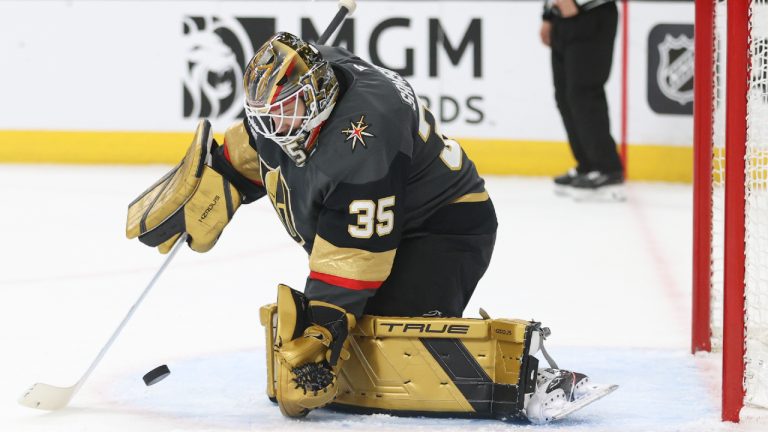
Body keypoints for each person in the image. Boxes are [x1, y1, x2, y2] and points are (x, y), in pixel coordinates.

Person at [126, 32, 615, 423]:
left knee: (387, 350)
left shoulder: (363, 142)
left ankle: (520, 378)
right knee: (354, 345)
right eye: (266, 114)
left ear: (317, 96)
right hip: (387, 215)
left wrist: (322, 332)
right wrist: (223, 171)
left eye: (286, 110)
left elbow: (352, 260)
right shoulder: (312, 87)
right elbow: (265, 145)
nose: (274, 125)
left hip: (443, 228)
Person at [540, 0, 624, 198]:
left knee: (584, 93)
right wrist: (548, 14)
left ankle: (608, 171)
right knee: (564, 95)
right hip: (561, 17)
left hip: (592, 13)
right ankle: (587, 166)